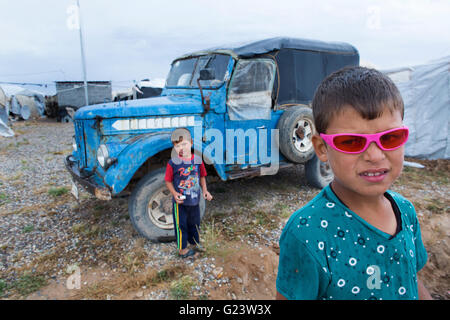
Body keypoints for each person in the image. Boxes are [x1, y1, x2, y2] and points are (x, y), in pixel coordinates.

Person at [276, 66, 432, 300]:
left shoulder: (406, 211)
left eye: (390, 138)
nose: (375, 156)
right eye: (351, 142)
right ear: (321, 148)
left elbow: (411, 278)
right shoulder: (306, 233)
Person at [165, 128, 213, 258]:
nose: (181, 148)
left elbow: (202, 176)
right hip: (180, 202)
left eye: (184, 144)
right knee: (181, 225)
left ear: (191, 143)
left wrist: (205, 191)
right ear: (174, 147)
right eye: (177, 145)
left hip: (195, 200)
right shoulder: (172, 163)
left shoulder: (197, 160)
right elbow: (168, 181)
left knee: (195, 223)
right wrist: (174, 194)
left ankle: (194, 243)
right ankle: (182, 250)